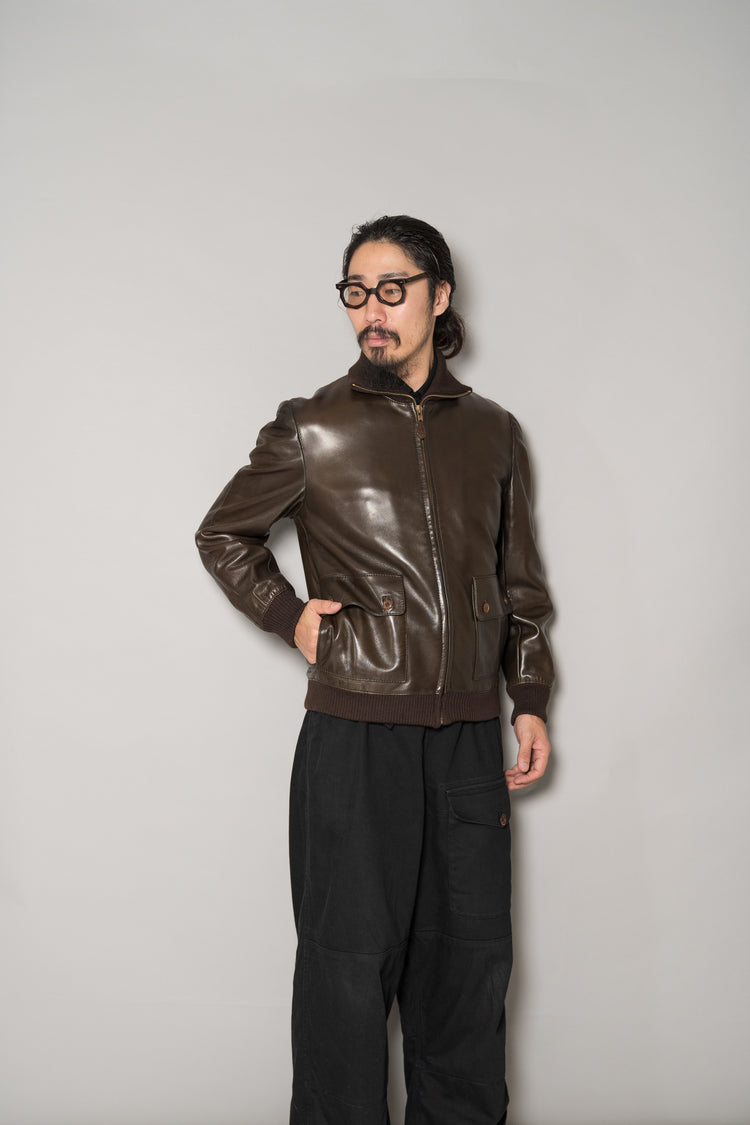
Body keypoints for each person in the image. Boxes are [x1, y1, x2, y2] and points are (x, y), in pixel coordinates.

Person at [195, 215, 554, 1125]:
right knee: (345, 981)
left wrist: (530, 697)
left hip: (468, 745)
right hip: (354, 742)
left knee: (468, 974)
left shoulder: (495, 433)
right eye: (356, 292)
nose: (371, 311)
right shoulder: (311, 425)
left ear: (440, 296)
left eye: (392, 289)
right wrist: (290, 617)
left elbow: (520, 584)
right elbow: (224, 534)